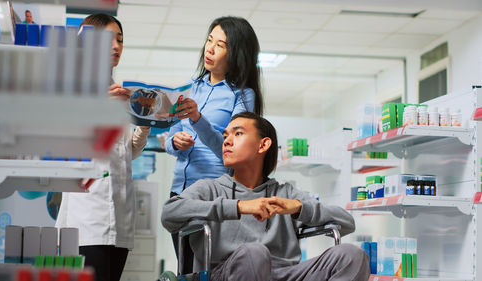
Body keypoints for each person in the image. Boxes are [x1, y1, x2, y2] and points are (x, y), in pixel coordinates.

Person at [162, 112, 370, 281]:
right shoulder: (209, 188)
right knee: (254, 254)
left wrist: (298, 208)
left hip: (284, 273)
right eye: (225, 136)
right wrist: (239, 206)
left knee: (352, 256)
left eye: (238, 134)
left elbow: (346, 222)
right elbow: (169, 212)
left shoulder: (284, 193)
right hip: (227, 272)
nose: (226, 141)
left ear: (263, 145)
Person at [56, 14, 151, 281]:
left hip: (119, 219)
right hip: (87, 218)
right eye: (109, 39)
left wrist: (144, 125)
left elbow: (125, 153)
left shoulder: (119, 93)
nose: (116, 46)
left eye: (120, 40)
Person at [164, 16, 264, 270]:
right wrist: (174, 142)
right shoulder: (189, 89)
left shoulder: (242, 96)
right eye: (210, 40)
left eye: (220, 45)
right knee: (185, 269)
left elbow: (233, 152)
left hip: (213, 196)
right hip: (180, 192)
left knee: (206, 269)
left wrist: (198, 119)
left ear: (237, 54)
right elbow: (168, 136)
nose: (210, 49)